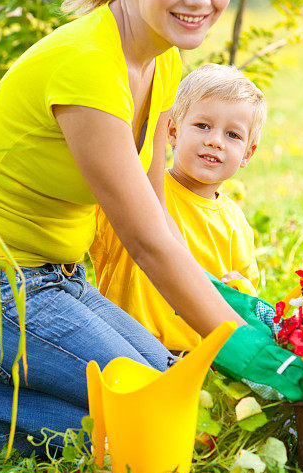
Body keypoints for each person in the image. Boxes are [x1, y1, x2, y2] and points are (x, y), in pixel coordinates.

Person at [0, 0, 248, 455]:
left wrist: (228, 308)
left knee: (170, 381)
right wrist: (244, 350)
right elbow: (145, 242)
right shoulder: (90, 67)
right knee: (149, 415)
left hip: (59, 279)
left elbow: (158, 220)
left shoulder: (161, 61)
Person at [90, 63, 267, 352]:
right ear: (171, 131)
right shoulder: (140, 188)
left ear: (248, 153)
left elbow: (247, 298)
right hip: (126, 344)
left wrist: (239, 287)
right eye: (202, 126)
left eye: (232, 135)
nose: (215, 141)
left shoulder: (235, 223)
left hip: (199, 360)